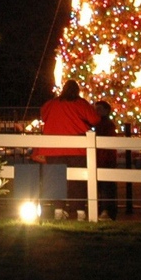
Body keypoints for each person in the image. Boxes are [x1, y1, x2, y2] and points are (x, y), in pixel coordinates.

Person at [37, 80, 100, 218]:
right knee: (77, 181)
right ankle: (80, 211)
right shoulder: (81, 103)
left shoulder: (52, 104)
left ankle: (58, 210)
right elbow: (95, 119)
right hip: (77, 149)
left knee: (56, 179)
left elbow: (43, 115)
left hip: (54, 149)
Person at [92, 100, 118, 220]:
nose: (96, 111)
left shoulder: (106, 125)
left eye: (99, 109)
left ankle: (106, 210)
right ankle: (103, 210)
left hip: (105, 159)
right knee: (101, 187)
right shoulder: (97, 124)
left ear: (106, 111)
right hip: (99, 158)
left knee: (106, 187)